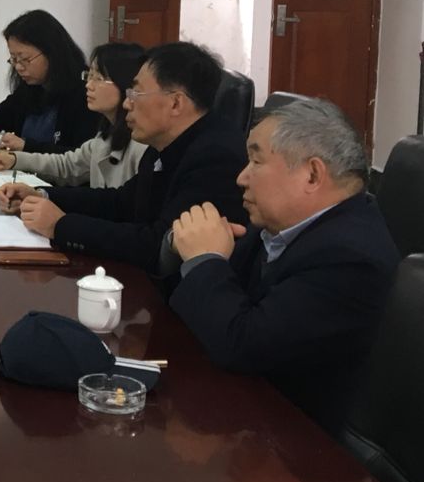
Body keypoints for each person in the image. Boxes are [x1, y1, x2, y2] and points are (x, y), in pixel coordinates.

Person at [163, 98, 400, 434]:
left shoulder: (352, 258)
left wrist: (204, 260)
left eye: (256, 160)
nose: (241, 177)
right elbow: (204, 311)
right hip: (247, 414)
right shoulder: (280, 226)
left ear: (312, 175)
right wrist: (183, 245)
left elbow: (242, 345)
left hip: (300, 444)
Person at [0, 41, 247, 271]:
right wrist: (42, 195)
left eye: (136, 93)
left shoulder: (215, 158)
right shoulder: (165, 143)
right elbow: (121, 202)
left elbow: (157, 245)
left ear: (176, 103)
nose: (127, 104)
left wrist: (60, 226)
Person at [0, 41, 149, 188]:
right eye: (89, 76)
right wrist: (14, 160)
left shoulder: (141, 146)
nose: (89, 85)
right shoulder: (104, 138)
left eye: (98, 78)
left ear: (126, 84)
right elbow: (66, 166)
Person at [0, 10, 99, 154]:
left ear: (52, 53)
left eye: (25, 59)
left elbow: (81, 159)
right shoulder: (31, 88)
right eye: (14, 59)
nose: (18, 67)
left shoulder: (86, 93)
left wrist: (26, 146)